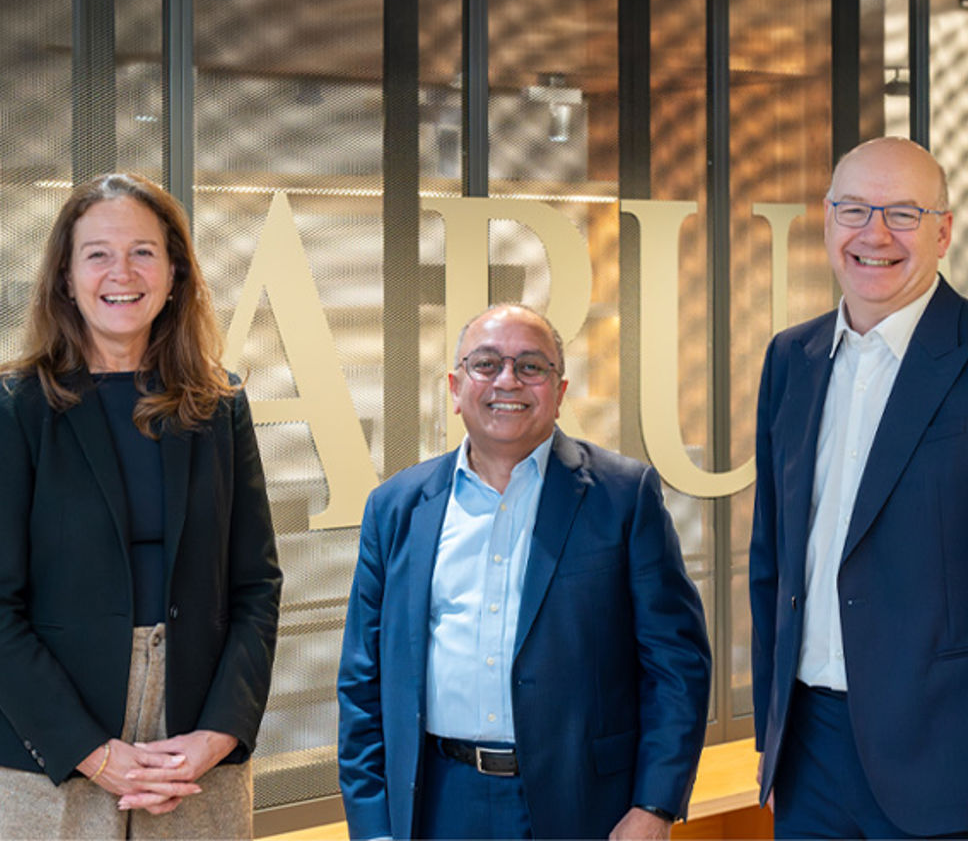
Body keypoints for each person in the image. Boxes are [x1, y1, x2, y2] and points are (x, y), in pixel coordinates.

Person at [338, 303, 711, 840]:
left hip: (585, 804)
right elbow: (362, 682)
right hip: (438, 802)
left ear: (558, 393)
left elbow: (677, 666)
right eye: (486, 364)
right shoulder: (396, 507)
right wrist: (373, 827)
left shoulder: (624, 497)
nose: (507, 380)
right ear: (455, 385)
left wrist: (655, 805)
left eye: (532, 366)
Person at [749, 137, 968, 839]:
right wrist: (771, 742)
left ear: (944, 231)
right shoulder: (790, 358)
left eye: (903, 212)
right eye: (854, 209)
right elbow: (771, 567)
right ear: (826, 220)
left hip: (951, 773)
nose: (875, 234)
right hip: (808, 758)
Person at [0, 172, 282, 839]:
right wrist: (91, 752)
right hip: (52, 744)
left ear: (175, 273)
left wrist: (219, 732)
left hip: (193, 744)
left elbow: (256, 586)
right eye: (97, 253)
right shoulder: (17, 411)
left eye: (143, 251)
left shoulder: (219, 405)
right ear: (65, 278)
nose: (120, 271)